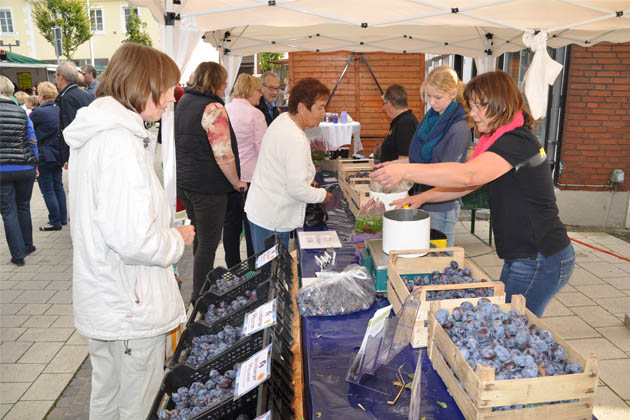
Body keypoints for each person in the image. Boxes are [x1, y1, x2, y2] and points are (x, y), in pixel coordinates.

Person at [62, 43, 195, 420]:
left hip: (111, 299)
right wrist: (176, 240)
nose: (172, 96)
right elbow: (133, 239)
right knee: (137, 404)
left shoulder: (102, 134)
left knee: (108, 398)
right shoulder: (118, 142)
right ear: (143, 84)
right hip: (129, 306)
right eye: (167, 86)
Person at [372, 70, 574, 317]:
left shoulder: (516, 142)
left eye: (479, 107)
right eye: (471, 106)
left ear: (502, 104)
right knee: (505, 320)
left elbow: (467, 175)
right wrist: (423, 197)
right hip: (523, 255)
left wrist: (407, 172)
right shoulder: (501, 141)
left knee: (512, 325)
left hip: (540, 256)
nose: (472, 114)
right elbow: (467, 185)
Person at [175, 61, 247, 304]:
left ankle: (201, 288)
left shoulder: (184, 101)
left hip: (186, 182)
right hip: (209, 187)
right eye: (224, 79)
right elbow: (223, 154)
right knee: (208, 243)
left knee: (200, 238)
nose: (227, 84)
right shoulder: (213, 108)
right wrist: (236, 181)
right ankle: (200, 298)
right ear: (214, 81)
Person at [245, 77, 333, 252]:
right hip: (272, 218)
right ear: (301, 108)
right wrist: (323, 195)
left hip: (264, 210)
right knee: (272, 273)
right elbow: (296, 189)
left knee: (268, 271)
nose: (324, 113)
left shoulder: (285, 119)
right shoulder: (294, 138)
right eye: (320, 107)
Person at [393, 66, 472, 247]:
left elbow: (448, 175)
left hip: (442, 204)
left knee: (439, 258)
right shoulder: (433, 119)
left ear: (453, 94)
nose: (432, 102)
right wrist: (395, 164)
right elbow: (423, 158)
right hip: (424, 197)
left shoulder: (458, 128)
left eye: (437, 97)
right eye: (428, 96)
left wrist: (407, 170)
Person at [223, 73, 267, 266]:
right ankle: (252, 269)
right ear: (250, 90)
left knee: (231, 225)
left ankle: (232, 267)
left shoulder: (225, 109)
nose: (261, 95)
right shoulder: (255, 114)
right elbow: (263, 148)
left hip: (228, 176)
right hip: (250, 177)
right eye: (259, 90)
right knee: (251, 226)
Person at [0, 75, 38, 266]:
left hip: (2, 170)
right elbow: (32, 138)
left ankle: (18, 255)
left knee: (8, 211)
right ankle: (28, 245)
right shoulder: (21, 112)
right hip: (25, 166)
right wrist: (35, 162)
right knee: (23, 205)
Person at [30, 81, 67, 231]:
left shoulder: (38, 113)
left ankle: (54, 220)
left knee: (47, 189)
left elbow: (30, 133)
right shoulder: (59, 109)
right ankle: (63, 217)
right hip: (58, 153)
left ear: (43, 95)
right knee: (58, 186)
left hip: (44, 155)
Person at [54, 62, 93, 166]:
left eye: (55, 76)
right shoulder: (85, 95)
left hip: (77, 152)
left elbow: (69, 128)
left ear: (61, 77)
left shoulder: (67, 98)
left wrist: (67, 157)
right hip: (89, 147)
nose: (55, 80)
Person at [379, 84, 419, 162]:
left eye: (384, 105)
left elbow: (405, 160)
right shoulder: (401, 121)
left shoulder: (406, 124)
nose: (384, 108)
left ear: (389, 103)